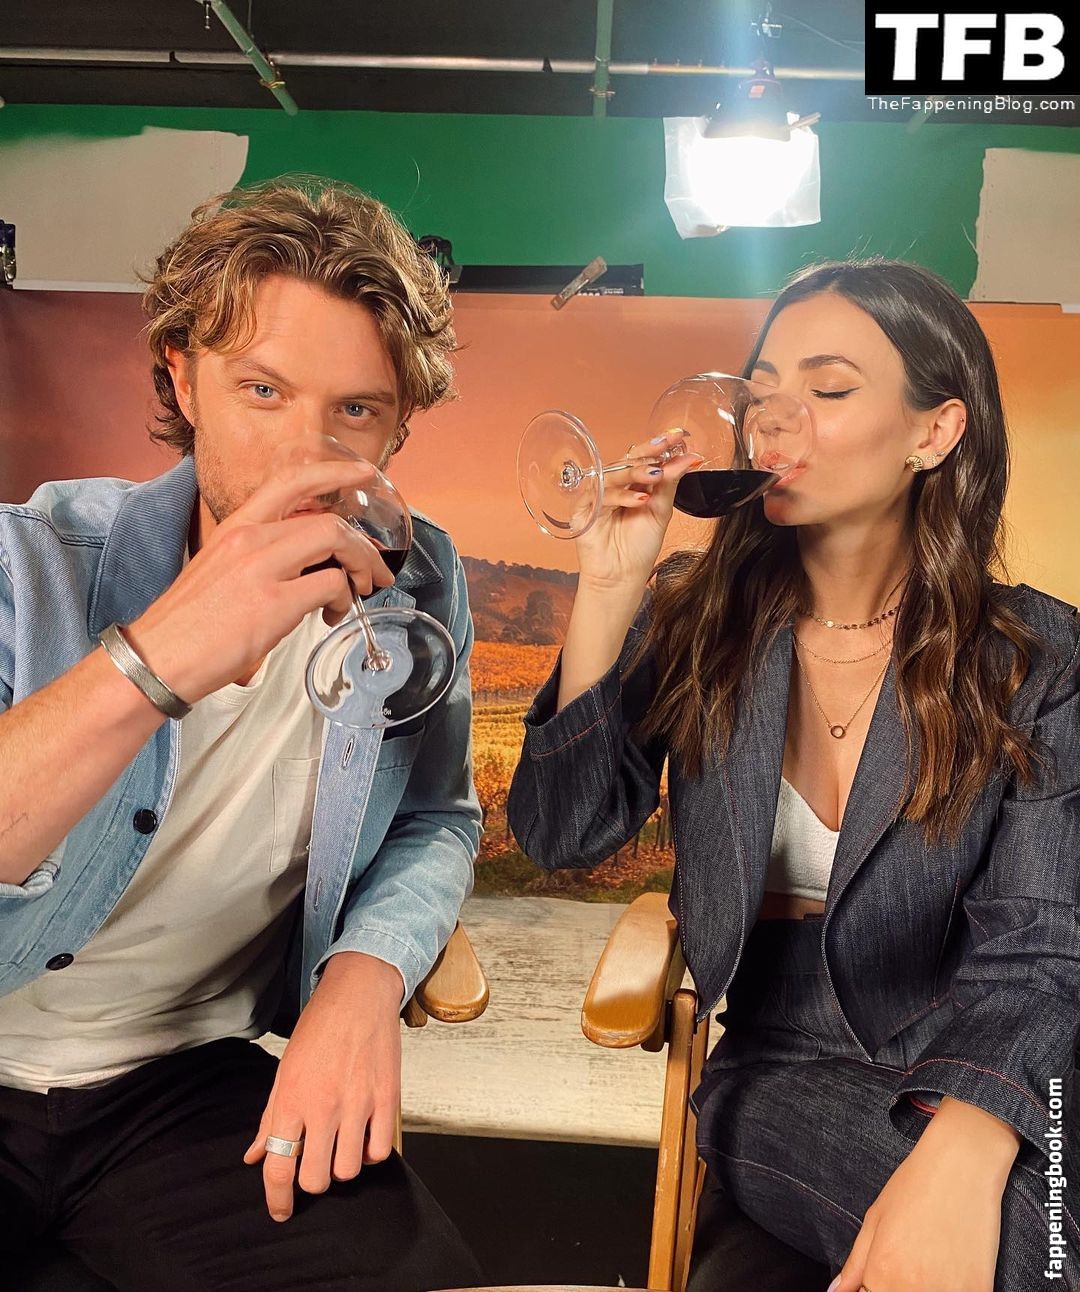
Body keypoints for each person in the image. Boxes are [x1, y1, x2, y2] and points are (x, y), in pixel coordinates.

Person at [507, 258, 1080, 1291]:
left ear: (934, 432)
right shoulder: (697, 618)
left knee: (1046, 1237)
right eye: (764, 390)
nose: (776, 422)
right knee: (1033, 1257)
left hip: (999, 1051)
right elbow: (563, 830)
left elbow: (1042, 947)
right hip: (784, 1063)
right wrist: (609, 588)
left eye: (830, 388)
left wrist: (971, 1135)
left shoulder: (1036, 656)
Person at [0, 179, 483, 1290]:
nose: (304, 457)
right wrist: (159, 656)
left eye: (354, 411)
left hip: (179, 1082)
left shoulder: (418, 579)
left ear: (398, 425)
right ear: (182, 378)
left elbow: (436, 817)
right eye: (262, 390)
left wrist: (364, 977)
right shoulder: (30, 562)